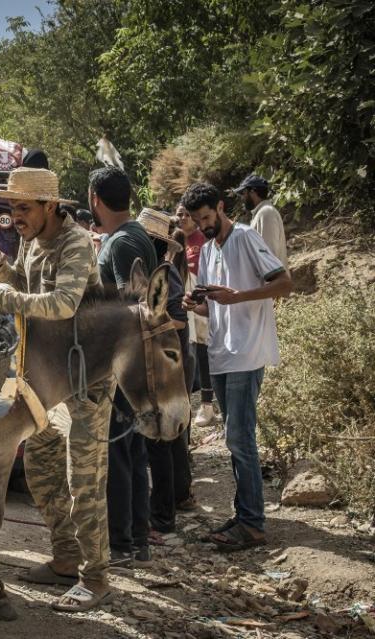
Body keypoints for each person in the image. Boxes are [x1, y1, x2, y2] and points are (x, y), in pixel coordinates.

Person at [0, 167, 113, 613]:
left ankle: (97, 578)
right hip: (46, 380)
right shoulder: (30, 240)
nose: (15, 217)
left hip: (87, 378)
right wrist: (4, 274)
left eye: (23, 208)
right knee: (42, 471)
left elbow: (64, 304)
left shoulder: (77, 242)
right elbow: (29, 292)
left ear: (51, 206)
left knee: (84, 480)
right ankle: (66, 558)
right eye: (11, 208)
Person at [181, 182, 292, 552]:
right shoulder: (209, 248)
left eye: (207, 217)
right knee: (234, 438)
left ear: (222, 207)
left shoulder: (245, 236)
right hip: (221, 353)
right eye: (197, 221)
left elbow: (283, 282)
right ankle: (244, 514)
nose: (203, 225)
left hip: (247, 353)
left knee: (240, 438)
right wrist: (195, 304)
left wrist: (237, 296)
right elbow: (215, 306)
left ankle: (253, 524)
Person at [88, 167, 157, 570]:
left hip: (120, 364)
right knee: (131, 453)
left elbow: (134, 306)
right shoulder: (134, 235)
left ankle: (123, 543)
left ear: (96, 197)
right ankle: (136, 541)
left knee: (117, 454)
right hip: (132, 361)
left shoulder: (120, 243)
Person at [135, 209, 194, 538]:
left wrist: (142, 328)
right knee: (166, 442)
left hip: (167, 368)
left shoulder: (164, 271)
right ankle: (171, 505)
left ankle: (163, 519)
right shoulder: (154, 270)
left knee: (162, 442)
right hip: (160, 366)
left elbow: (179, 320)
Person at [175, 204, 217, 430]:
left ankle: (208, 404)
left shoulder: (203, 241)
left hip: (202, 303)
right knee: (194, 353)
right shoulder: (178, 239)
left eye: (185, 214)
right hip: (187, 303)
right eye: (178, 214)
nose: (181, 218)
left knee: (204, 353)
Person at [233, 174, 287, 268]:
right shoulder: (260, 213)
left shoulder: (266, 213)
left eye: (243, 193)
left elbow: (269, 255)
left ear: (253, 192)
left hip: (273, 280)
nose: (242, 198)